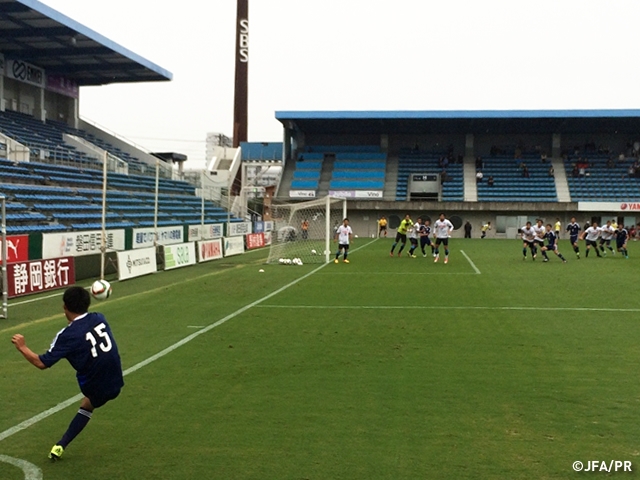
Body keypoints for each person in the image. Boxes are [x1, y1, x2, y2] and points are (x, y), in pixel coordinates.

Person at [11, 286, 124, 460]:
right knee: (89, 403)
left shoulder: (67, 335)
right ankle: (60, 445)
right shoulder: (99, 317)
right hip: (117, 380)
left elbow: (41, 363)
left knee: (87, 403)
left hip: (94, 386)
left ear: (65, 307)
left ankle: (61, 445)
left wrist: (23, 347)